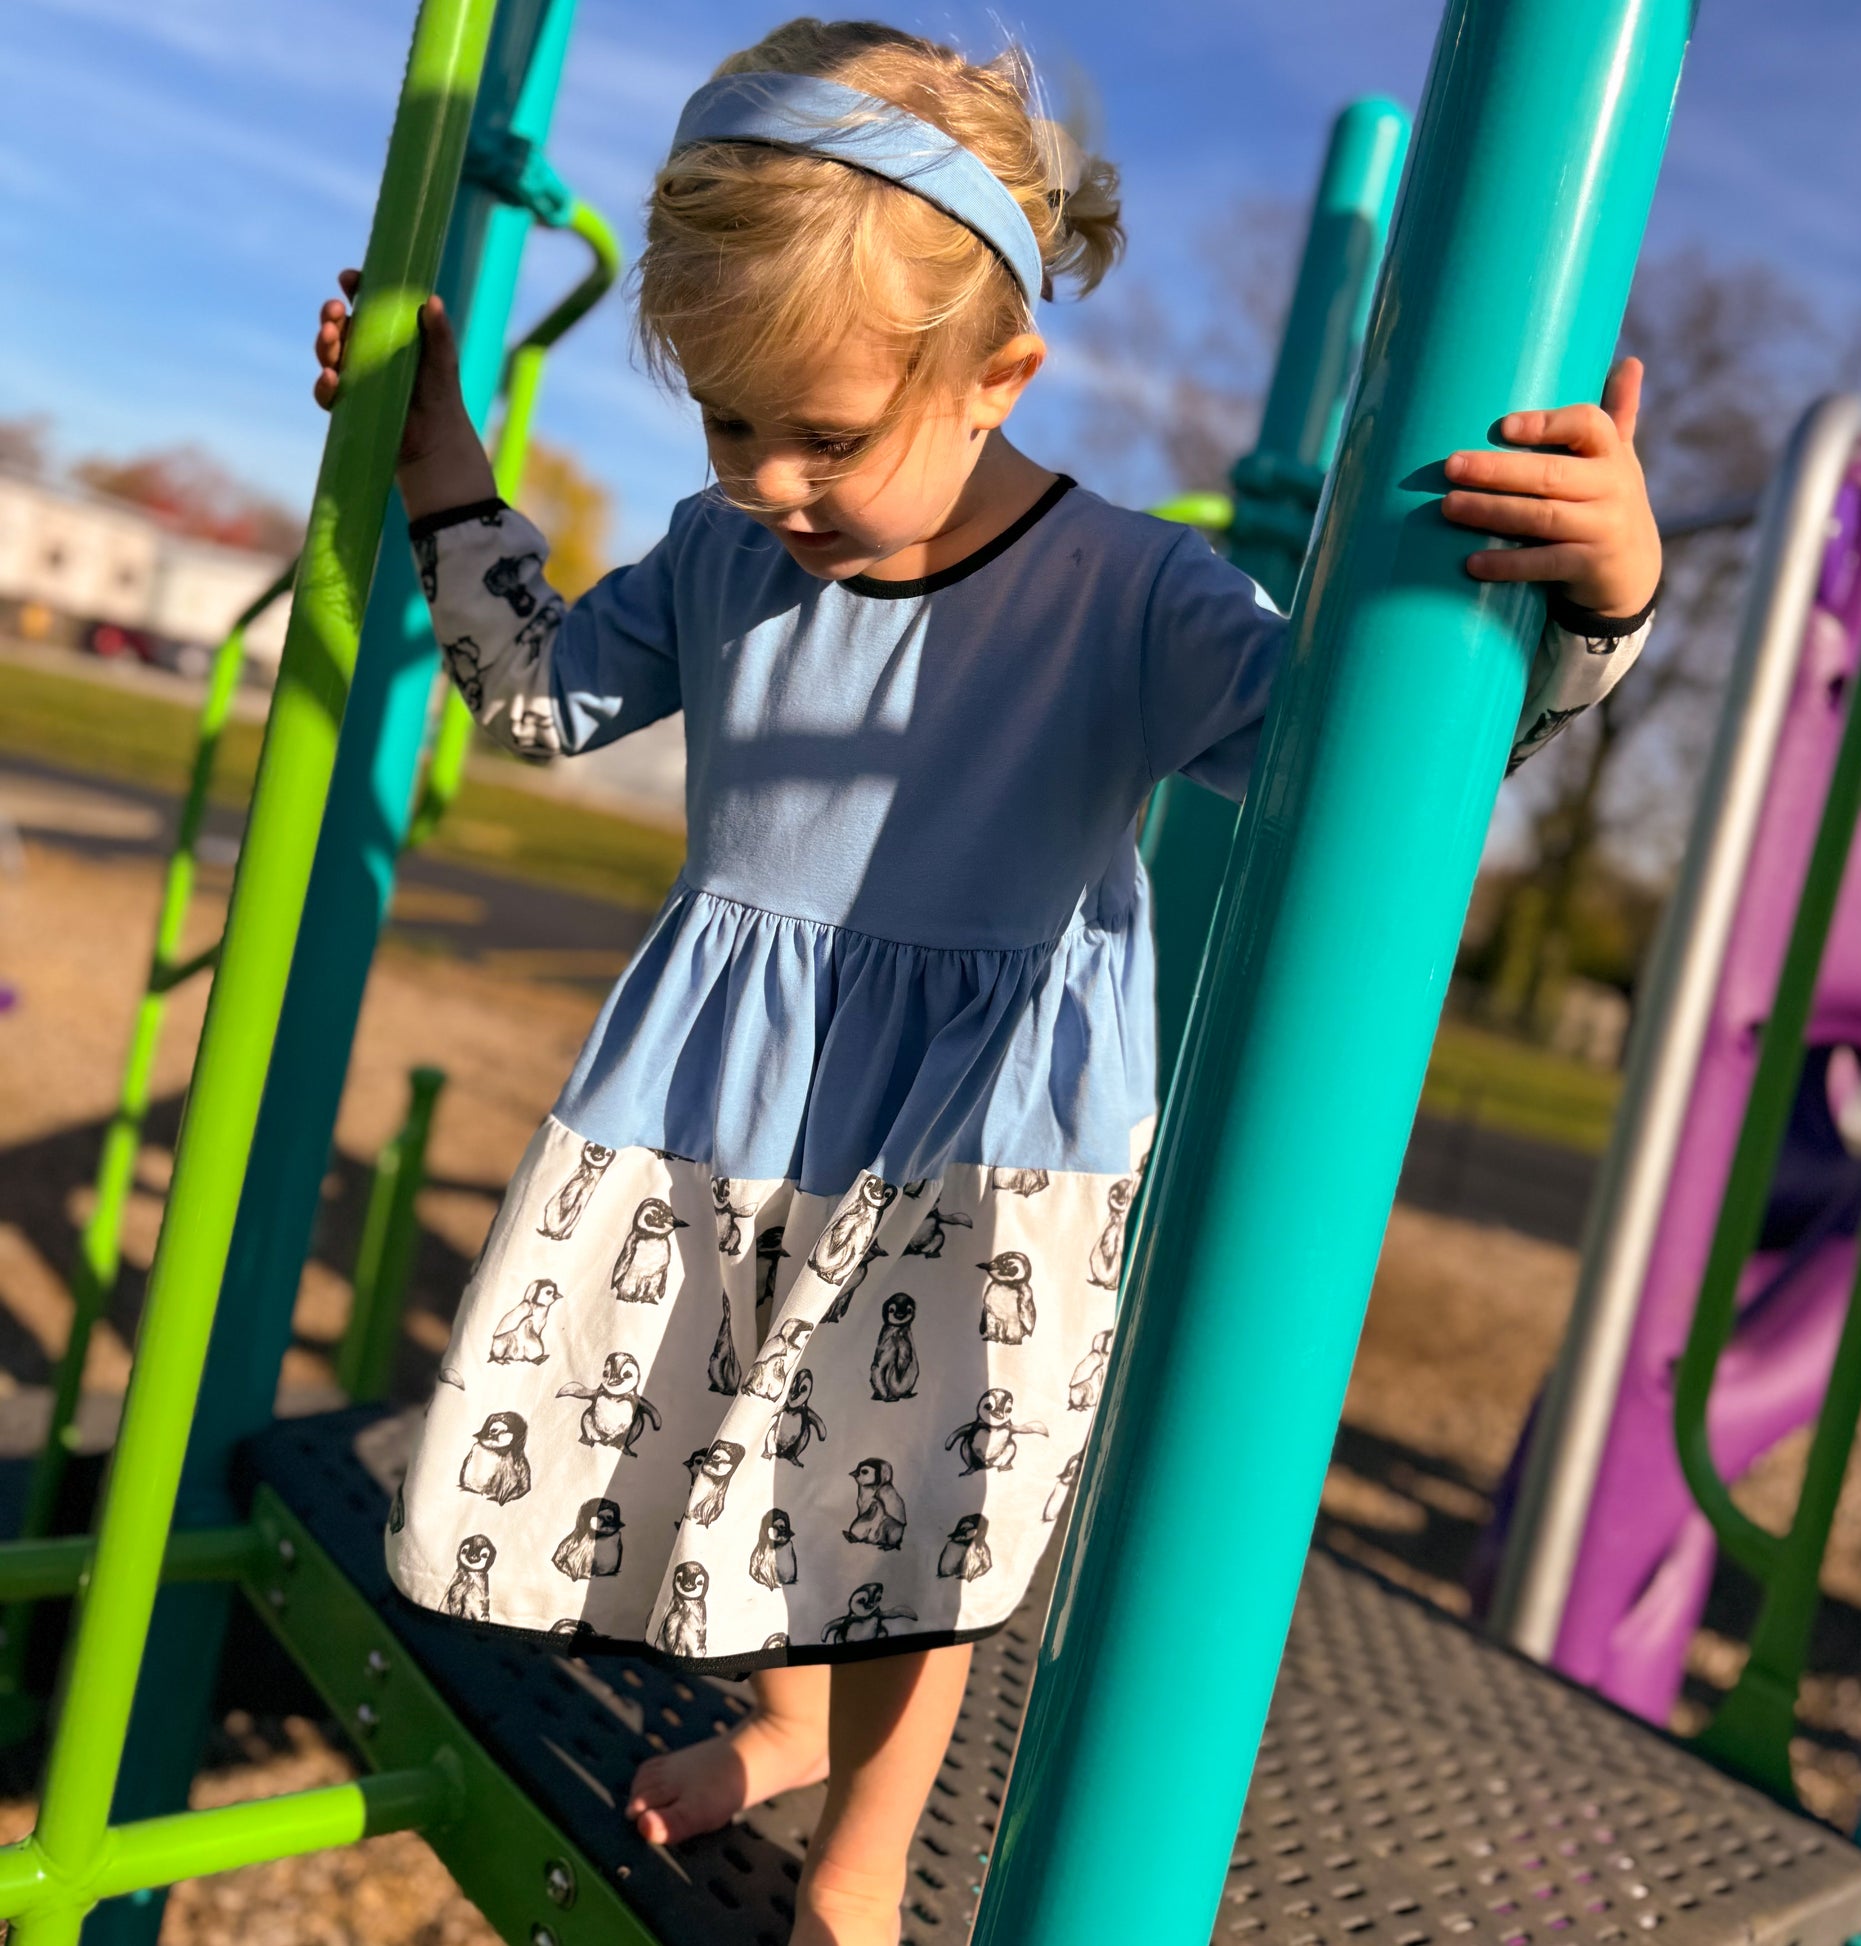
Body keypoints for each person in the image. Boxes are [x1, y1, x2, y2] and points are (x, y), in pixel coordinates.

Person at [313, 19, 1662, 1943]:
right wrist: (444, 464)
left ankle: (860, 1859)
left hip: (980, 1122)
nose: (770, 480)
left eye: (828, 435)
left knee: (900, 1499)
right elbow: (538, 696)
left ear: (999, 370)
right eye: (726, 426)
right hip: (726, 1095)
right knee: (728, 1427)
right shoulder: (720, 557)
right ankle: (784, 1728)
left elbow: (1370, 779)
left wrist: (1594, 603)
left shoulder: (1127, 594)